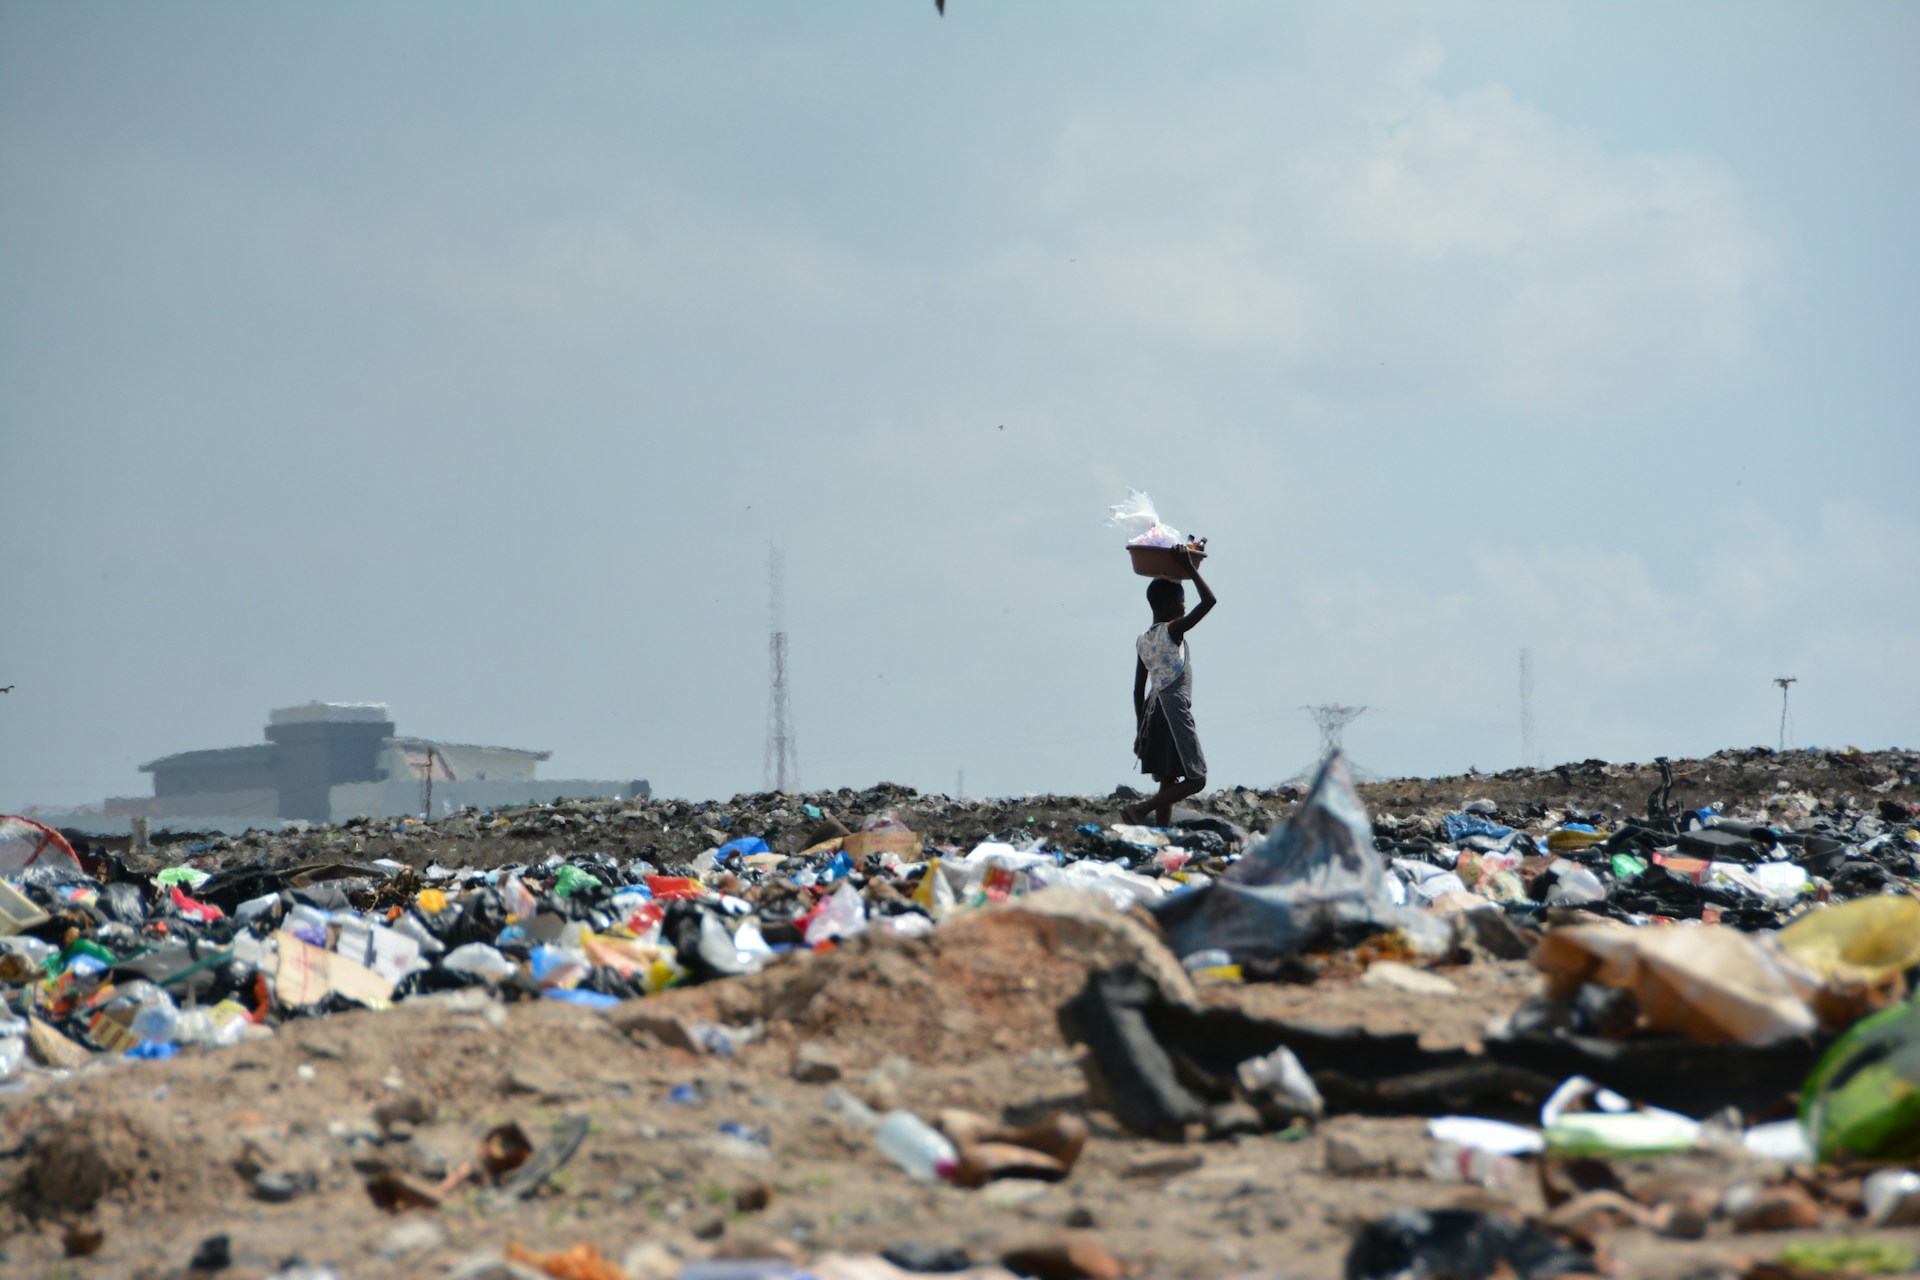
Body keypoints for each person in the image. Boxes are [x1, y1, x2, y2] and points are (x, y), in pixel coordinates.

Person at [1123, 549, 1215, 826]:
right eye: (1181, 601)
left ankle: (1160, 835)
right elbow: (1209, 601)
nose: (1184, 607)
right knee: (1197, 779)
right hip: (1173, 708)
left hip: (1153, 710)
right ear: (1166, 606)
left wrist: (1140, 730)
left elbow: (1138, 690)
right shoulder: (1173, 630)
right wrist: (1189, 566)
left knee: (1168, 778)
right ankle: (1140, 810)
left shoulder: (1143, 639)